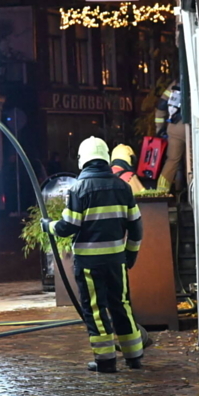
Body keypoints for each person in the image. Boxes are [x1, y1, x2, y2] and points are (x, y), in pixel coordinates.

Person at [42, 136, 145, 373]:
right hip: (117, 260)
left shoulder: (78, 189)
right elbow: (136, 227)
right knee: (122, 305)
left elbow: (68, 227)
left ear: (83, 160)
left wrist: (47, 225)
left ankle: (106, 361)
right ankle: (134, 357)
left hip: (89, 263)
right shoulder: (123, 187)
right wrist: (131, 255)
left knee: (96, 310)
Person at [156, 82, 186, 193]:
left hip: (174, 127)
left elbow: (162, 105)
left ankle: (161, 192)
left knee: (172, 161)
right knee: (193, 161)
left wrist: (159, 128)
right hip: (193, 129)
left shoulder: (175, 84)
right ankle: (190, 193)